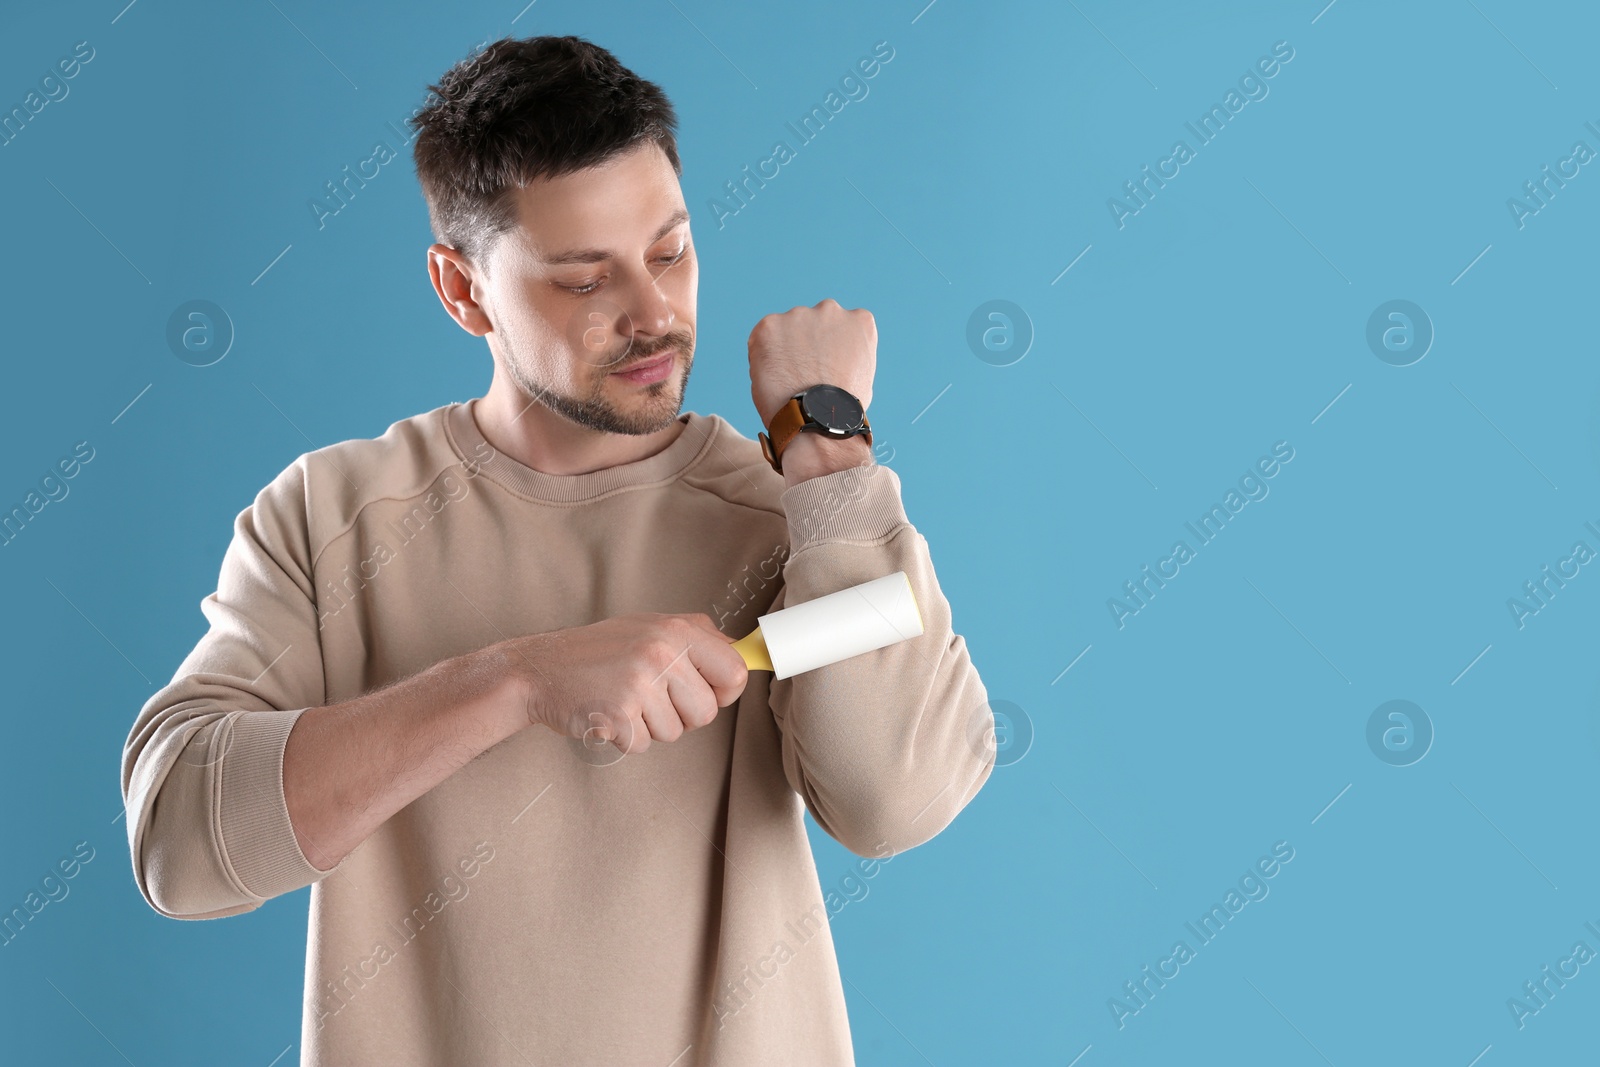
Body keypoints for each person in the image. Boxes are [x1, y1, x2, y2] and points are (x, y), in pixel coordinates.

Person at [121, 34, 993, 1067]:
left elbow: (897, 799)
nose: (655, 314)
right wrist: (515, 678)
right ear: (464, 290)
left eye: (669, 251)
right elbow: (182, 844)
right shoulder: (331, 514)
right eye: (584, 281)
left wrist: (828, 446)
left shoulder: (787, 514)